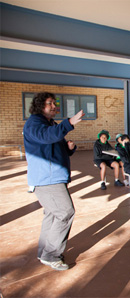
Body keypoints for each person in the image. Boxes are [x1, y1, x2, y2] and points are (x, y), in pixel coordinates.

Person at [23, 92, 84, 271]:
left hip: (52, 176)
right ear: (39, 106)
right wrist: (69, 123)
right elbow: (47, 137)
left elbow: (52, 145)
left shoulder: (49, 123)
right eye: (49, 103)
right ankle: (51, 254)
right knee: (65, 212)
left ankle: (44, 251)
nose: (54, 106)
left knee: (52, 214)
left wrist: (68, 148)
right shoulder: (34, 122)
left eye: (54, 103)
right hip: (47, 179)